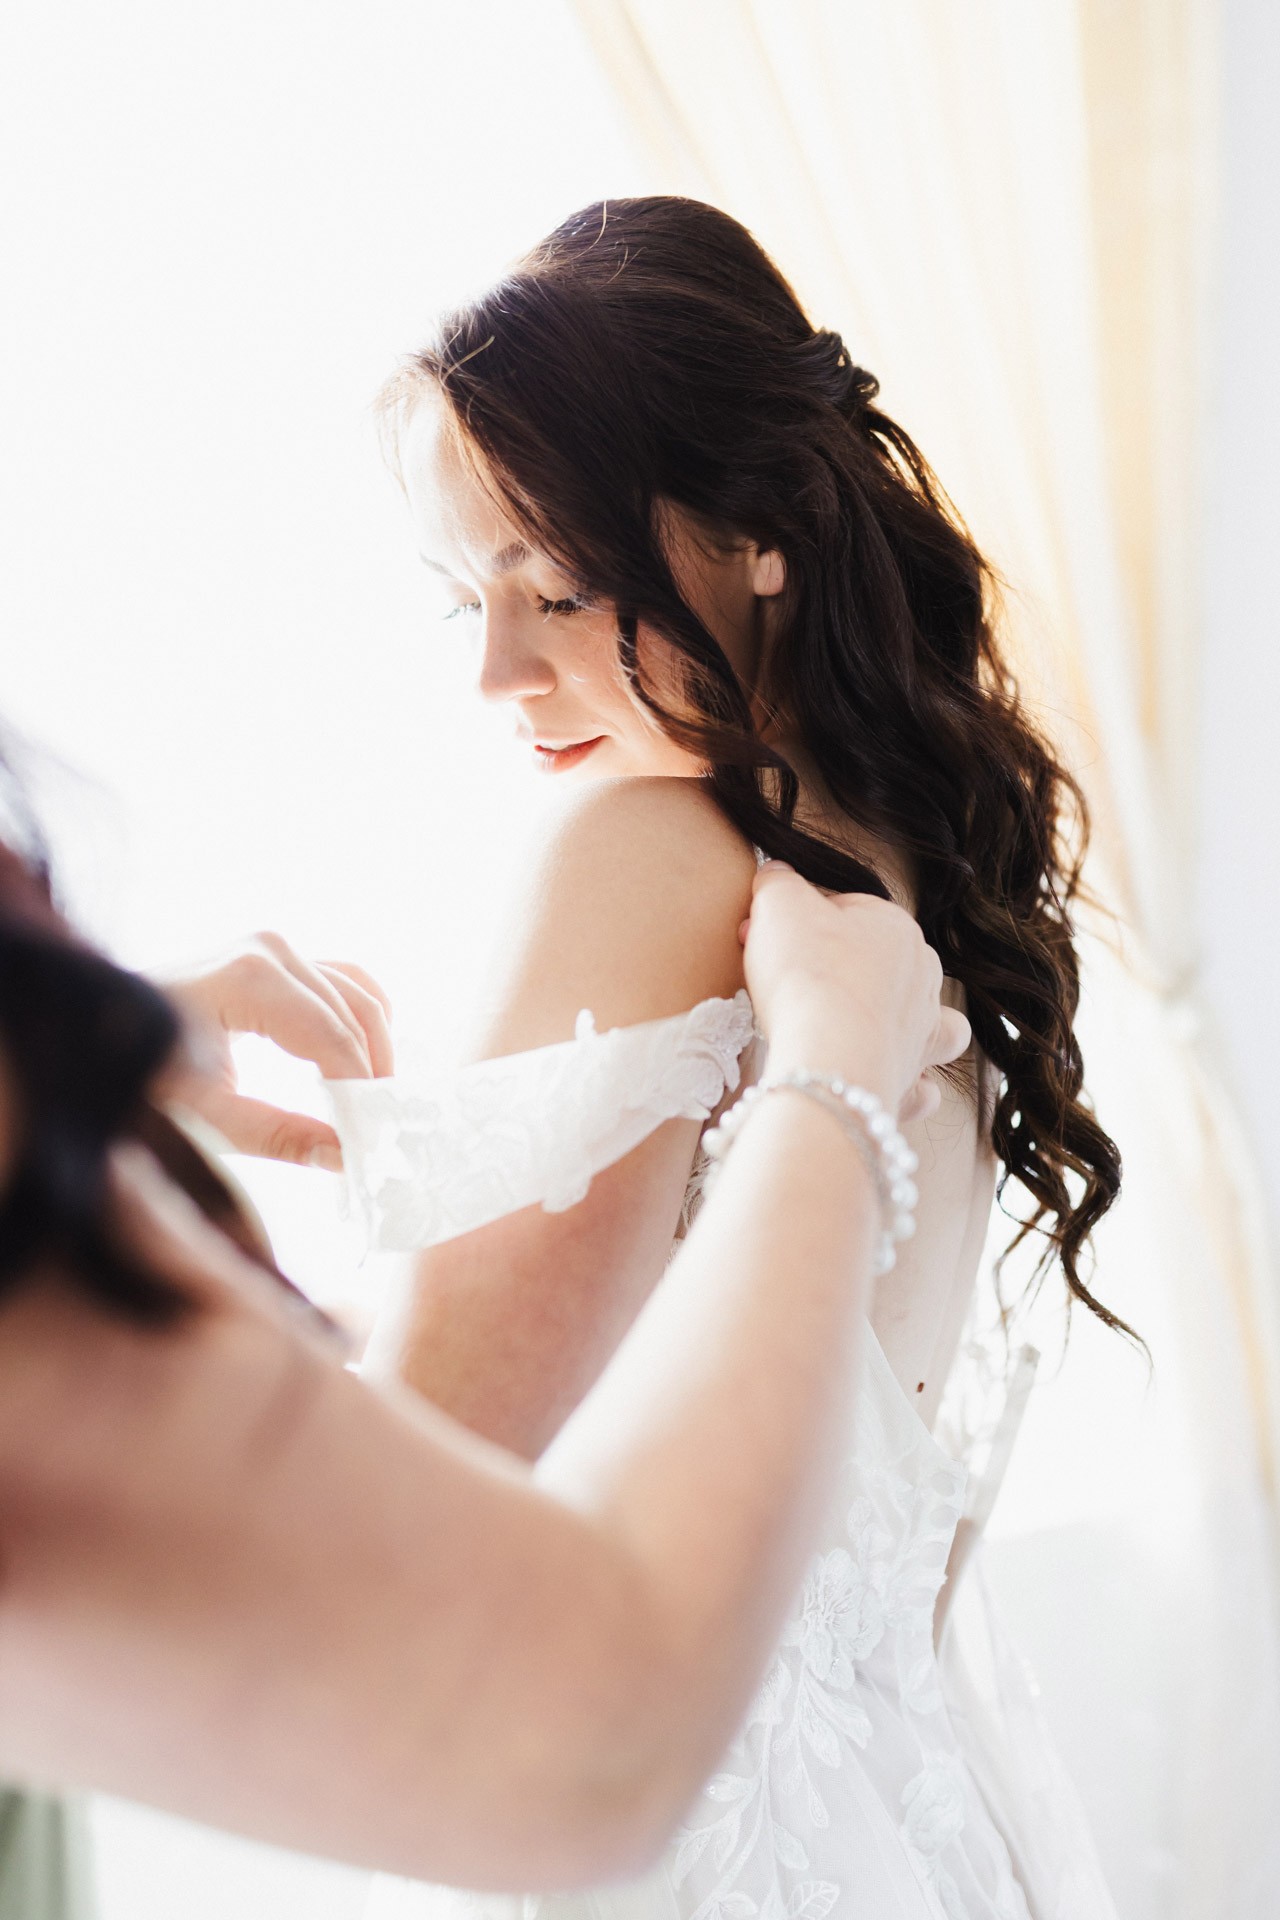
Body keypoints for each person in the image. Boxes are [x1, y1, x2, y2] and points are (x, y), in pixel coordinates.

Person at [338, 196, 1127, 1918]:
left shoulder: (642, 850)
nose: (495, 673)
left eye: (552, 588)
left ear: (761, 532)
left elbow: (409, 1506)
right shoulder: (914, 872)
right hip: (915, 1843)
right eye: (465, 600)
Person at [0, 814, 967, 1892]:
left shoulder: (648, 857)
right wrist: (836, 1060)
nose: (503, 704)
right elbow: (579, 1714)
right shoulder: (910, 897)